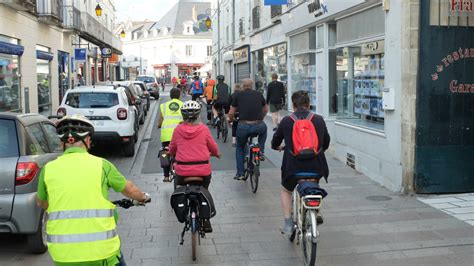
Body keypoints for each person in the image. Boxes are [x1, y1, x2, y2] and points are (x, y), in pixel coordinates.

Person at [36, 115, 151, 265]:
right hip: (101, 253)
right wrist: (142, 197)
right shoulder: (102, 165)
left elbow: (42, 203)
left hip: (62, 255)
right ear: (88, 140)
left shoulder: (48, 169)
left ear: (62, 143)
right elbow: (128, 189)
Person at [271, 90, 330, 235]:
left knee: (286, 190)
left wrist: (278, 147)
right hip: (316, 167)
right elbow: (326, 142)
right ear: (309, 104)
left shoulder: (286, 121)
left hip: (293, 168)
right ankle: (315, 211)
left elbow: (275, 142)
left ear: (293, 104)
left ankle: (288, 224)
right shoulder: (319, 119)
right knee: (313, 181)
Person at [229, 79, 268, 180]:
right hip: (259, 125)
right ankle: (261, 151)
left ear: (243, 86)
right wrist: (261, 118)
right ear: (252, 86)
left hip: (243, 126)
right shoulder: (259, 94)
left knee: (240, 148)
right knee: (264, 131)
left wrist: (231, 120)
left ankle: (240, 173)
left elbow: (231, 113)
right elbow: (265, 109)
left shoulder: (238, 95)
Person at [157, 88, 184, 182]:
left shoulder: (164, 106)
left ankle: (166, 176)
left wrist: (159, 125)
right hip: (180, 135)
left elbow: (160, 120)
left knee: (165, 153)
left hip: (166, 135)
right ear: (179, 95)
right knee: (181, 152)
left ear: (170, 96)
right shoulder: (183, 105)